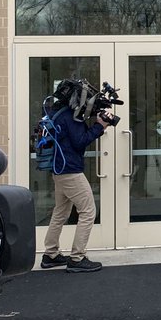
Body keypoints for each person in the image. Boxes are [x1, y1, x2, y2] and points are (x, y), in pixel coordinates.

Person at [41, 91, 114, 273]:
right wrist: (99, 126)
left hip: (59, 169)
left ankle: (50, 254)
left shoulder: (59, 112)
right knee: (88, 211)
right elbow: (80, 141)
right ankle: (77, 258)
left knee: (61, 211)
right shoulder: (72, 117)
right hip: (70, 171)